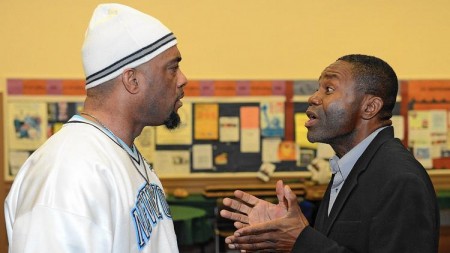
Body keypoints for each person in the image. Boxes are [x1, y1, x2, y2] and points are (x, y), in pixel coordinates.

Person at [5, 3, 187, 253]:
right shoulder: (68, 172)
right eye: (172, 68)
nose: (183, 79)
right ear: (132, 80)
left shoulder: (120, 154)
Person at [220, 54, 440, 252]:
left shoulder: (400, 179)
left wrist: (301, 240)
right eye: (318, 88)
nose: (313, 98)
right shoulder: (350, 166)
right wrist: (289, 234)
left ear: (369, 108)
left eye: (329, 89)